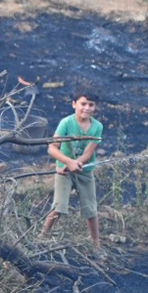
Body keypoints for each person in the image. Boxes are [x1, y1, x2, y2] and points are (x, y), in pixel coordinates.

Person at [39, 90, 102, 247]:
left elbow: (88, 152)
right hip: (64, 172)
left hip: (85, 172)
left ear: (95, 107)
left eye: (91, 105)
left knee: (91, 211)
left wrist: (77, 163)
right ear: (74, 104)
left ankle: (96, 245)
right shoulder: (66, 123)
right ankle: (41, 238)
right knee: (58, 207)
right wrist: (68, 163)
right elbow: (52, 148)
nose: (86, 108)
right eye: (83, 104)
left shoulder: (97, 127)